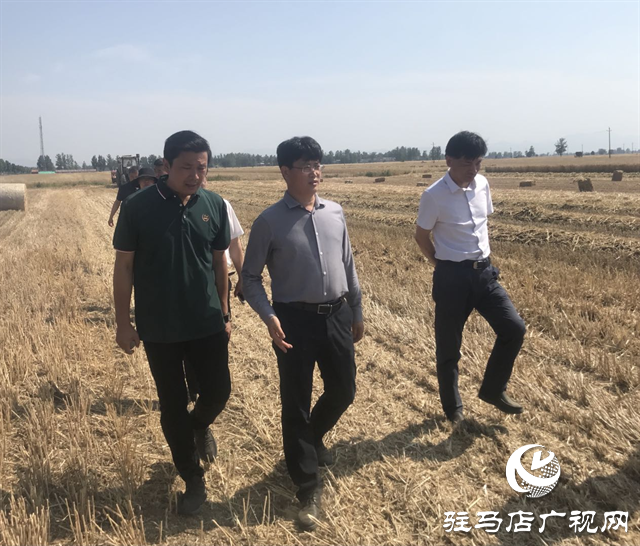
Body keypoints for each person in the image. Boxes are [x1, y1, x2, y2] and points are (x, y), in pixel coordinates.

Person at [242, 136, 364, 530]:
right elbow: (249, 278)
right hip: (293, 320)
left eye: (317, 164)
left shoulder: (335, 212)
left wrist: (356, 310)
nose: (314, 172)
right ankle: (307, 486)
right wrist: (268, 316)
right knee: (295, 402)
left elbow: (348, 264)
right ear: (285, 171)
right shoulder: (269, 221)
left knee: (344, 390)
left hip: (337, 314)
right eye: (305, 166)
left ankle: (306, 442)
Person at [113, 130, 231, 516]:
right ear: (166, 166)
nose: (195, 175)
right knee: (172, 403)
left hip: (207, 320)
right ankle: (192, 477)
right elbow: (124, 266)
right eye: (186, 168)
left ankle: (199, 425)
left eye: (202, 168)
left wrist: (225, 311)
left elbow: (219, 262)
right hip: (159, 326)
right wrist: (123, 323)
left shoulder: (213, 204)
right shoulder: (138, 206)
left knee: (219, 392)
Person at [414, 131, 526, 424]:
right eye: (467, 163)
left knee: (514, 328)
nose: (473, 170)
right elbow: (421, 236)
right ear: (448, 160)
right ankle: (453, 409)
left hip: (485, 274)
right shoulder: (433, 196)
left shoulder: (483, 185)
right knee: (449, 348)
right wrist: (440, 264)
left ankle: (493, 390)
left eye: (478, 163)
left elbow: (481, 223)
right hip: (452, 278)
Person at [184, 196, 245, 403]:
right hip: (193, 279)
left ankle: (213, 387)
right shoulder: (177, 206)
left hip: (220, 278)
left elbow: (234, 243)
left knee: (221, 333)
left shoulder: (221, 205)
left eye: (201, 177)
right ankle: (194, 386)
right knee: (191, 336)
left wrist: (242, 276)